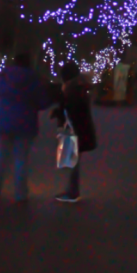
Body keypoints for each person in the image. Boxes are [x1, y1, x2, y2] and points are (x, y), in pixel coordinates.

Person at [0, 53, 44, 203]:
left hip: (3, 119)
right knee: (21, 159)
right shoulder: (33, 78)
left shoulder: (3, 75)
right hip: (25, 122)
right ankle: (20, 194)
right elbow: (42, 101)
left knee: (0, 156)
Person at [51, 62, 98, 204]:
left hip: (75, 130)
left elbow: (71, 109)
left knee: (73, 161)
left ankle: (72, 192)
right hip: (80, 129)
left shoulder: (72, 89)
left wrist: (59, 113)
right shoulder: (80, 86)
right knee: (73, 161)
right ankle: (72, 190)